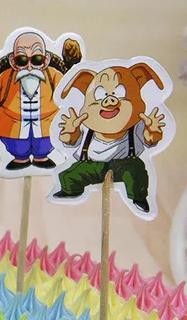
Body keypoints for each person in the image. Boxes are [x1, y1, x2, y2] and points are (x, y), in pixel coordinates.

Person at [52, 63, 166, 213]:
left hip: (123, 163)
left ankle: (139, 198)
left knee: (135, 171)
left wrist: (153, 131)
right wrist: (70, 132)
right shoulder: (85, 126)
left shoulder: (136, 126)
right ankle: (70, 191)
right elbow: (70, 141)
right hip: (91, 164)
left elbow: (149, 140)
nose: (110, 101)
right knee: (69, 175)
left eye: (119, 93)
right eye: (100, 95)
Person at [0, 32, 81, 170]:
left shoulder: (54, 76)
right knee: (17, 146)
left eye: (36, 59)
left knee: (45, 143)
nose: (29, 67)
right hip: (12, 127)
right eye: (22, 60)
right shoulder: (4, 79)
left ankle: (41, 157)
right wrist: (4, 117)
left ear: (45, 60)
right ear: (13, 61)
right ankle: (20, 158)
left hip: (47, 126)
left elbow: (65, 94)